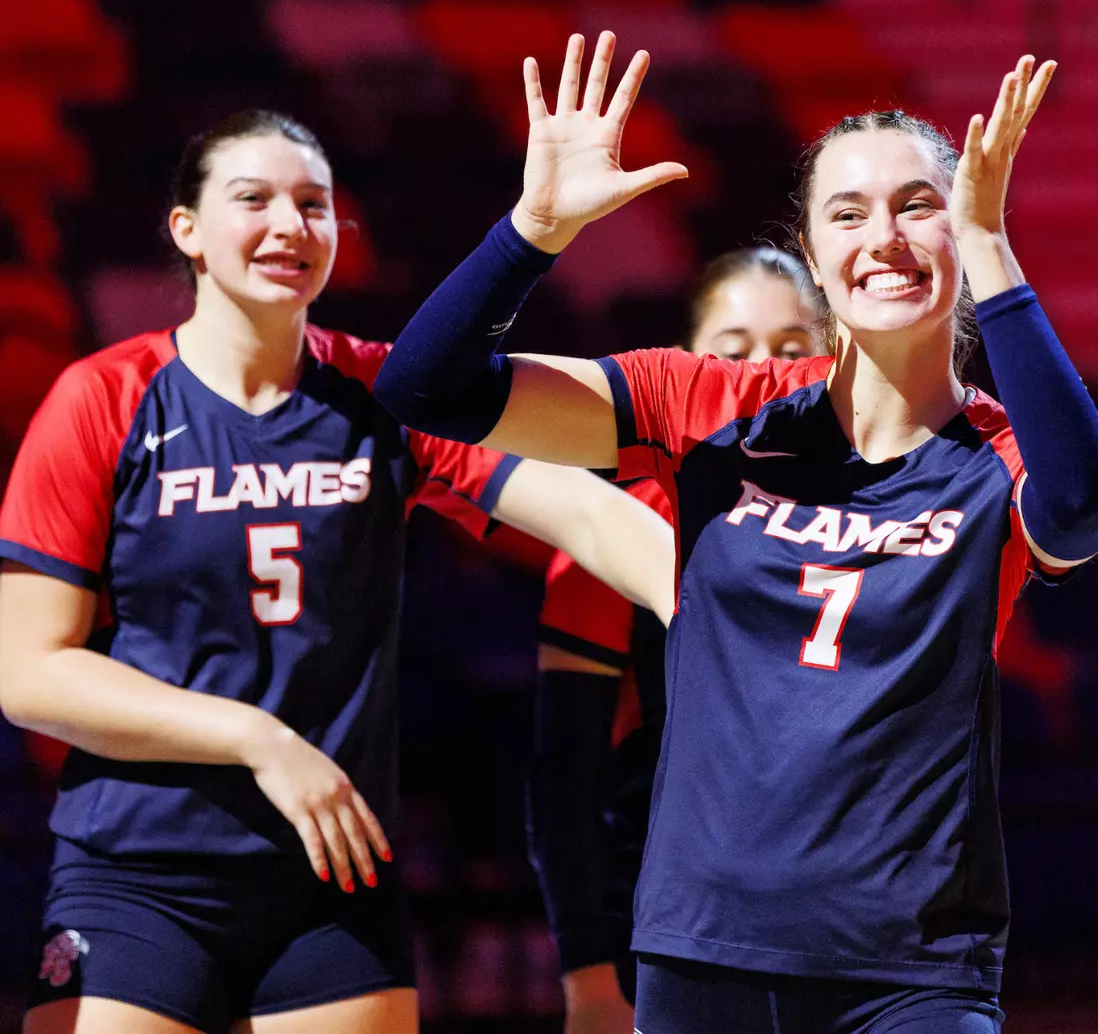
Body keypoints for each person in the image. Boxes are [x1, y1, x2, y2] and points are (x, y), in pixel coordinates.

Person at [374, 31, 1098, 1032]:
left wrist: (990, 248)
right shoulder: (712, 404)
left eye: (920, 207)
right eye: (848, 213)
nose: (885, 236)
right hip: (705, 950)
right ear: (813, 255)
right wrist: (533, 231)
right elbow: (425, 389)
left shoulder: (998, 451)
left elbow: (1080, 513)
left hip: (913, 966)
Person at [0, 110, 672, 1034]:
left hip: (334, 879)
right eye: (254, 199)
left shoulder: (380, 393)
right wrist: (256, 739)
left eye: (313, 204)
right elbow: (29, 673)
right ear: (186, 229)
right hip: (139, 873)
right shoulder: (103, 399)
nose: (290, 225)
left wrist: (725, 608)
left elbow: (593, 515)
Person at [523, 245, 825, 1034]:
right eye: (733, 350)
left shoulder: (893, 513)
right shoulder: (621, 530)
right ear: (688, 362)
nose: (762, 372)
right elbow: (565, 782)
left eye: (792, 348)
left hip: (847, 933)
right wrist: (589, 978)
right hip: (670, 941)